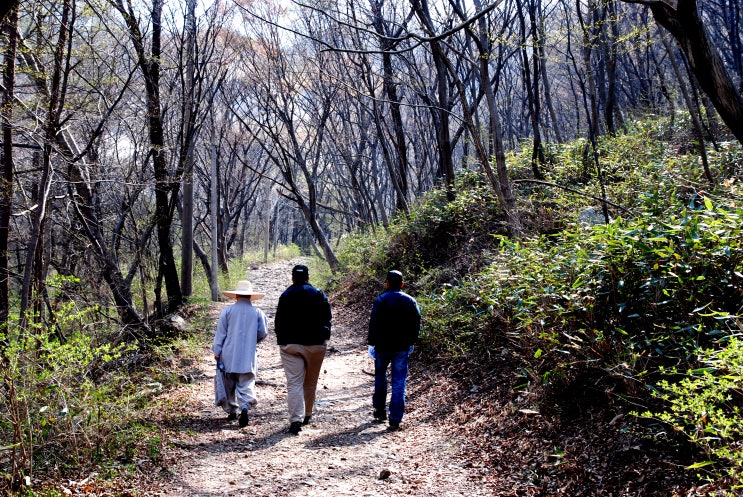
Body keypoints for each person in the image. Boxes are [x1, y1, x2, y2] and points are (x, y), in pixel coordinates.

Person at [274, 264, 332, 435]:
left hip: (290, 345)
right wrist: (324, 337)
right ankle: (307, 414)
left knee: (294, 382)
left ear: (292, 279)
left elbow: (279, 321)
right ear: (308, 278)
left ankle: (295, 420)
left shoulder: (285, 295)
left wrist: (282, 340)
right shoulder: (318, 294)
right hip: (315, 345)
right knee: (311, 381)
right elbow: (327, 317)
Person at [368, 270, 421, 431]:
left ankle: (379, 411)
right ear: (402, 284)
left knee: (380, 377)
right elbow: (417, 322)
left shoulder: (381, 300)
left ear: (387, 283)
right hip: (401, 347)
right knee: (399, 382)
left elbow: (374, 323)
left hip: (382, 347)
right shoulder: (410, 301)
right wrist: (412, 341)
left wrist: (371, 343)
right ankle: (395, 419)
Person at [212, 280, 268, 428]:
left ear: (236, 295)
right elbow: (263, 332)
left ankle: (232, 410)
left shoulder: (227, 311)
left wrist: (217, 352)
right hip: (248, 356)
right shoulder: (257, 313)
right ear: (250, 296)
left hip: (228, 354)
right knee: (246, 383)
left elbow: (221, 334)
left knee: (229, 383)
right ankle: (244, 406)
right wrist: (253, 340)